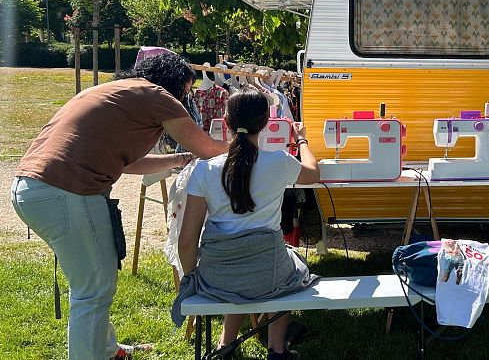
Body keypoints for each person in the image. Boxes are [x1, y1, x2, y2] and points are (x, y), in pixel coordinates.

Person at [10, 53, 228, 360]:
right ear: (173, 82)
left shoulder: (120, 92)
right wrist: (254, 148)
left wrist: (179, 159)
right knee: (93, 292)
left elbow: (127, 162)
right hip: (67, 192)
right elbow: (207, 148)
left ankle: (108, 350)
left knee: (91, 282)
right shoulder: (157, 95)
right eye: (187, 88)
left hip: (31, 187)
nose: (187, 96)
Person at [174, 89, 320, 360]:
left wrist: (192, 276)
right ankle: (277, 350)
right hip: (267, 273)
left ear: (226, 122)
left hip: (218, 277)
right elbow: (313, 173)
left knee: (239, 273)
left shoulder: (204, 170)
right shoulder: (280, 162)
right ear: (266, 123)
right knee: (287, 272)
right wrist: (302, 140)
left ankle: (225, 345)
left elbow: (186, 241)